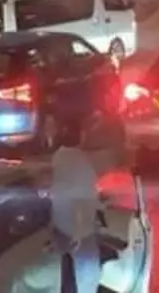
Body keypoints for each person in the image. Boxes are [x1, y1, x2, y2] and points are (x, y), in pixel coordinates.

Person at [50, 120, 101, 293]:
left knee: (64, 273)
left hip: (60, 224)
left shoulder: (59, 156)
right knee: (86, 275)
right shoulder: (80, 161)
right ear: (80, 135)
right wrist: (79, 231)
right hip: (79, 229)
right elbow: (81, 197)